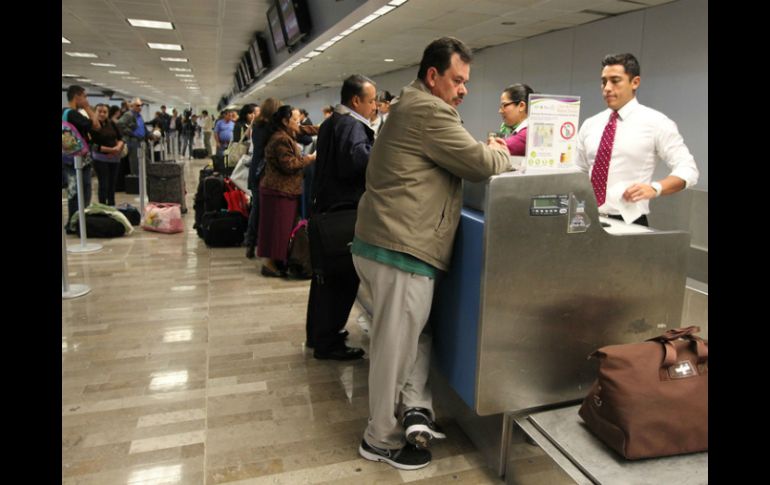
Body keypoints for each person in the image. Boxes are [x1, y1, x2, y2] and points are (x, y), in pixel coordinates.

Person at [352, 37, 513, 470]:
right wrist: (501, 154)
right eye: (457, 80)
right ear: (433, 76)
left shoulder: (409, 105)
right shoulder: (429, 110)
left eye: (466, 83)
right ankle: (379, 439)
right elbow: (479, 164)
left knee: (405, 340)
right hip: (400, 247)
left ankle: (408, 411)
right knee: (394, 348)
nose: (463, 90)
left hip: (385, 242)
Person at [575, 53, 699, 226]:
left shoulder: (656, 123)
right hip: (585, 218)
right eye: (604, 81)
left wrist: (655, 188)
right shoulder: (591, 124)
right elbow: (578, 171)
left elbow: (688, 170)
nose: (607, 88)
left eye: (615, 80)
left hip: (628, 222)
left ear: (635, 82)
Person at [306, 74, 377, 361]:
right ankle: (328, 342)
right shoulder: (351, 125)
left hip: (326, 212)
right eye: (371, 100)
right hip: (343, 214)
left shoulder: (332, 122)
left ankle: (318, 334)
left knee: (324, 279)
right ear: (356, 100)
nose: (375, 106)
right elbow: (357, 162)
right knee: (341, 279)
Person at [257, 106, 319, 277]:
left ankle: (275, 263)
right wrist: (310, 158)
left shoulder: (284, 133)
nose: (298, 124)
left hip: (280, 190)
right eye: (295, 120)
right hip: (279, 190)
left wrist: (327, 126)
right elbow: (289, 164)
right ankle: (271, 264)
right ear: (285, 121)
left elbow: (304, 129)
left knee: (278, 229)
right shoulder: (281, 139)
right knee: (279, 230)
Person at [244, 98, 283, 259]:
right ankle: (255, 243)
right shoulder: (270, 128)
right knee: (260, 209)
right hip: (264, 173)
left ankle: (251, 243)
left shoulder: (258, 126)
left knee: (257, 208)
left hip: (256, 171)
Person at [62, 85, 101, 226]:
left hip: (67, 157)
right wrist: (87, 108)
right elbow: (96, 125)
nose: (86, 99)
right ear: (77, 96)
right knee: (81, 191)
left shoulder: (64, 113)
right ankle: (77, 222)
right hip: (78, 159)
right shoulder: (72, 114)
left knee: (74, 190)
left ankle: (76, 221)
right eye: (84, 96)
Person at [89, 103, 125, 206]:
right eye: (99, 111)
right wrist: (110, 150)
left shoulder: (112, 124)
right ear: (95, 112)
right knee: (104, 184)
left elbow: (121, 138)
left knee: (112, 184)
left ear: (108, 113)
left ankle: (112, 205)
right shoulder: (91, 126)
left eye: (105, 112)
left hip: (114, 158)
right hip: (100, 159)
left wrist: (117, 148)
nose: (102, 114)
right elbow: (93, 145)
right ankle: (103, 206)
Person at [497, 83, 534, 156]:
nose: (500, 111)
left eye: (504, 105)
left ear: (521, 106)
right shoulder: (514, 130)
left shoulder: (528, 134)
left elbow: (492, 153)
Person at [117, 97, 146, 175]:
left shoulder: (139, 116)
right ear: (132, 106)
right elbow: (119, 124)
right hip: (133, 142)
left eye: (141, 105)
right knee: (135, 163)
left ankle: (142, 181)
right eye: (137, 105)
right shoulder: (129, 114)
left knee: (142, 163)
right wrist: (131, 133)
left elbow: (143, 127)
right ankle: (136, 181)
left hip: (141, 141)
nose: (139, 107)